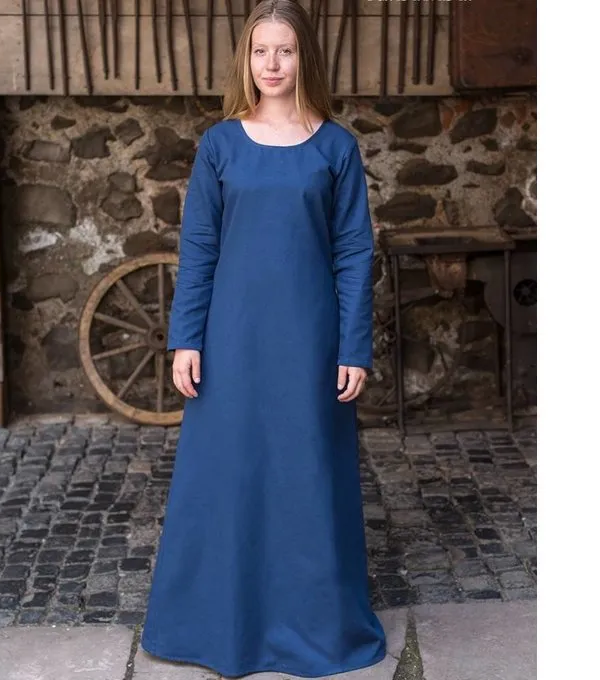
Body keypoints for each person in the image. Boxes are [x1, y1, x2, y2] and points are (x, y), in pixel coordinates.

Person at [140, 1, 387, 676]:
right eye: (259, 50)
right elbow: (199, 248)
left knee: (306, 475)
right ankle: (220, 627)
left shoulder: (335, 147)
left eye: (284, 50)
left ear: (305, 57)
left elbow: (353, 253)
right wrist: (186, 338)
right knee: (229, 477)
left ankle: (312, 625)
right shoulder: (220, 145)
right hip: (231, 341)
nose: (271, 64)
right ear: (245, 59)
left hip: (310, 341)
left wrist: (353, 347)